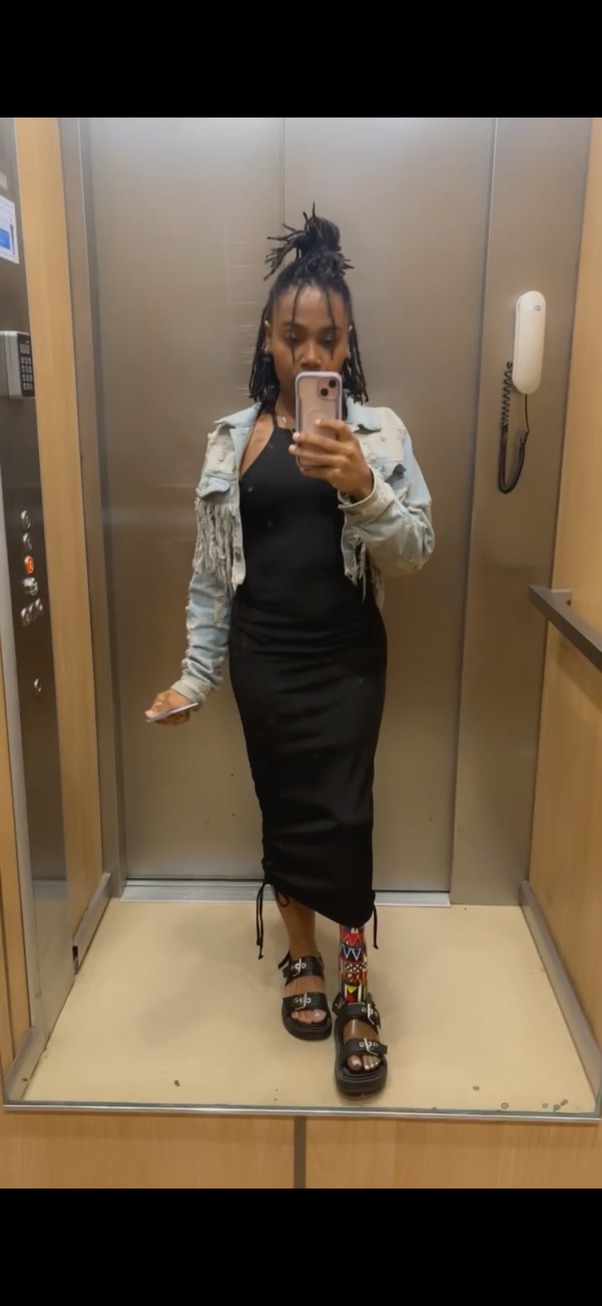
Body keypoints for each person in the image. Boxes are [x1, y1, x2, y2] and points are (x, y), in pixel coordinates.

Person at [147, 207, 435, 1097]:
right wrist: (195, 676)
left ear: (349, 345)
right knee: (285, 810)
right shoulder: (231, 441)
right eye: (292, 337)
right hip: (264, 661)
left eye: (329, 340)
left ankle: (355, 985)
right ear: (267, 339)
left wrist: (364, 488)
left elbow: (415, 551)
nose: (311, 355)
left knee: (346, 816)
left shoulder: (379, 436)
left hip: (348, 663)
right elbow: (210, 576)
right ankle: (300, 958)